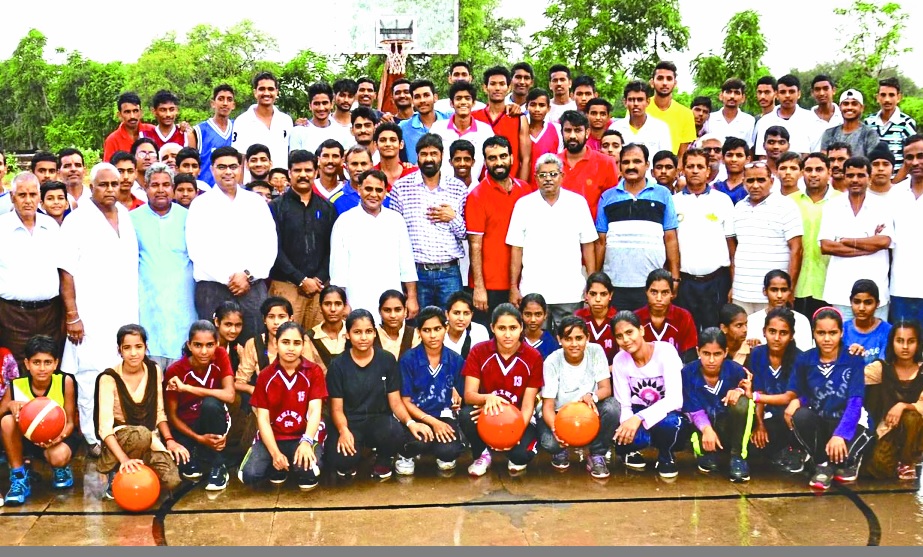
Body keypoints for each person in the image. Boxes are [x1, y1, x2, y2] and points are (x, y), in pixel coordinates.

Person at [60, 163, 140, 454]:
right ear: (90, 186)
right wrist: (73, 315)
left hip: (125, 312)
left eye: (114, 184)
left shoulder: (126, 217)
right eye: (103, 185)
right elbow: (66, 272)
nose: (109, 190)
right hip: (90, 314)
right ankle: (94, 438)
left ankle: (118, 432)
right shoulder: (77, 220)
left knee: (122, 373)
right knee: (90, 375)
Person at [185, 146, 278, 342]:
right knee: (212, 347)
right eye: (222, 167)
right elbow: (197, 249)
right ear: (212, 170)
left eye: (233, 166)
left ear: (241, 168)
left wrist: (247, 275)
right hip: (213, 288)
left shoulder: (256, 203)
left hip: (251, 286)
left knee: (254, 346)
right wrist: (229, 278)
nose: (228, 172)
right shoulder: (201, 205)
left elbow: (269, 244)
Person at [325, 309, 428, 481]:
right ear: (348, 335)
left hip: (379, 420)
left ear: (374, 333)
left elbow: (395, 402)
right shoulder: (337, 365)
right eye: (357, 332)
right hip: (350, 422)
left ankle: (384, 458)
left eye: (368, 331)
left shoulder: (386, 360)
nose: (363, 337)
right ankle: (355, 455)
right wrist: (343, 431)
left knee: (396, 433)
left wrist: (411, 423)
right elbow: (336, 409)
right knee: (341, 460)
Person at [784, 308, 873, 490]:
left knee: (844, 463)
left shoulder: (853, 358)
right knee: (799, 415)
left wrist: (840, 434)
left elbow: (855, 400)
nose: (826, 339)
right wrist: (798, 401)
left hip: (850, 422)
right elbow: (805, 393)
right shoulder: (805, 359)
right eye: (821, 333)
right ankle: (823, 464)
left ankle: (841, 462)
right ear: (814, 334)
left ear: (841, 333)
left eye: (832, 333)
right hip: (822, 420)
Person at [95, 325, 187, 499]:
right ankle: (117, 474)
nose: (133, 353)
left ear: (146, 347)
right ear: (119, 350)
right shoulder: (108, 378)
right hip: (120, 438)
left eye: (138, 347)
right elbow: (104, 429)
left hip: (150, 437)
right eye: (127, 348)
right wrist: (124, 459)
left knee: (172, 480)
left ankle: (144, 467)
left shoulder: (154, 370)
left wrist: (169, 441)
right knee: (141, 434)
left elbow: (160, 413)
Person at [507, 154, 598, 329]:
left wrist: (591, 285)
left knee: (571, 342)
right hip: (533, 292)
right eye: (542, 175)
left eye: (553, 174)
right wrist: (513, 286)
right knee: (536, 345)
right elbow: (516, 249)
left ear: (562, 176)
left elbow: (588, 246)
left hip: (571, 292)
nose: (548, 179)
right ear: (536, 178)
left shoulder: (577, 203)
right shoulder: (524, 205)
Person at [239, 322, 326, 490]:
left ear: (303, 345)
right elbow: (263, 418)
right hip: (275, 435)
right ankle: (277, 465)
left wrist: (307, 442)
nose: (291, 348)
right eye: (285, 342)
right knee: (248, 475)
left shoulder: (313, 371)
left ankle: (296, 461)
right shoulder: (266, 375)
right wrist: (275, 453)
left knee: (309, 472)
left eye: (296, 343)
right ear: (276, 344)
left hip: (303, 435)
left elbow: (315, 410)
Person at [459, 304, 543, 477]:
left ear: (521, 327)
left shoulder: (533, 356)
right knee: (467, 415)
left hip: (518, 416)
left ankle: (510, 447)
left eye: (513, 328)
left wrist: (516, 431)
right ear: (492, 328)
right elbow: (468, 395)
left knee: (520, 457)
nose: (507, 334)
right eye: (501, 328)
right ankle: (483, 453)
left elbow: (528, 405)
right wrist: (488, 398)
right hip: (488, 413)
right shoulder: (479, 351)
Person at [596, 143, 679, 311]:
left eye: (637, 161)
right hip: (615, 283)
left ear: (647, 165)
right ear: (619, 165)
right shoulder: (608, 197)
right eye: (626, 162)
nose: (631, 166)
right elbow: (601, 242)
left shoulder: (663, 194)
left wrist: (675, 278)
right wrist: (597, 279)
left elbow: (670, 239)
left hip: (652, 286)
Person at [390, 134, 468, 309]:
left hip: (449, 272)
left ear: (442, 156)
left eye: (434, 153)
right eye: (424, 154)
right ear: (416, 157)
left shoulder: (458, 187)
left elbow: (465, 233)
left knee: (451, 324)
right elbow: (394, 234)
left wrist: (452, 218)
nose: (429, 158)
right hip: (416, 273)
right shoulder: (401, 187)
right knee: (418, 326)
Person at [329, 169, 419, 321]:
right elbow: (338, 268)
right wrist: (342, 302)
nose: (373, 194)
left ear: (385, 193)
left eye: (379, 190)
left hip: (391, 298)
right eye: (368, 189)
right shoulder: (345, 221)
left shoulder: (395, 220)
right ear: (359, 189)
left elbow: (406, 263)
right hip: (356, 298)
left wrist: (411, 297)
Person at [131, 163, 196, 371]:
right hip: (149, 308)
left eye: (166, 185)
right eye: (154, 185)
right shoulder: (132, 219)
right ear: (145, 188)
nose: (160, 190)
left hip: (183, 306)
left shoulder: (189, 218)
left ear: (173, 188)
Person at [0, 336, 79, 505]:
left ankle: (61, 468)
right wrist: (10, 405)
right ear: (27, 364)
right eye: (36, 362)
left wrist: (57, 439)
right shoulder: (16, 385)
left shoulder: (65, 381)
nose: (42, 368)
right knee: (6, 421)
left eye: (47, 362)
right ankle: (19, 477)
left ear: (56, 363)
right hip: (28, 441)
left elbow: (71, 422)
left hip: (57, 438)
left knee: (58, 456)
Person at [540, 316, 619, 478]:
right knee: (549, 442)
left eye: (579, 338)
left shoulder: (596, 351)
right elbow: (547, 405)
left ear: (587, 338)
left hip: (588, 412)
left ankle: (597, 454)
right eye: (568, 339)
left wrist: (593, 396)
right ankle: (560, 451)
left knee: (612, 407)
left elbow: (606, 388)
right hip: (560, 414)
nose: (574, 344)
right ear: (559, 340)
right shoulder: (552, 361)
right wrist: (557, 430)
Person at [466, 136, 532, 326]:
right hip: (490, 285)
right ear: (485, 162)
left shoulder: (525, 190)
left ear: (512, 158)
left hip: (523, 281)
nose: (499, 162)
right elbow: (475, 244)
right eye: (492, 158)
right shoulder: (477, 196)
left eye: (503, 156)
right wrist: (479, 287)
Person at [269, 149, 337, 331]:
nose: (303, 175)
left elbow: (333, 249)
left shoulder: (327, 208)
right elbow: (273, 248)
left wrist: (318, 279)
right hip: (286, 286)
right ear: (289, 174)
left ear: (316, 173)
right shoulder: (275, 208)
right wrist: (300, 279)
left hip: (319, 287)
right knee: (284, 339)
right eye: (297, 170)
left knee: (317, 344)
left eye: (308, 170)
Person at [0, 173, 64, 366]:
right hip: (12, 315)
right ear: (12, 197)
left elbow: (63, 269)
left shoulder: (51, 226)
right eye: (22, 195)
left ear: (39, 197)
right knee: (17, 370)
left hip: (50, 313)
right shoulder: (1, 228)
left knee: (49, 367)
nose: (28, 201)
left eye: (33, 194)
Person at [611, 311, 684, 478]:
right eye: (619, 336)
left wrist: (639, 419)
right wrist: (627, 427)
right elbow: (624, 404)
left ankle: (666, 454)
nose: (626, 340)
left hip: (665, 414)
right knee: (630, 437)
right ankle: (630, 451)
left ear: (641, 330)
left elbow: (675, 399)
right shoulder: (619, 360)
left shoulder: (665, 351)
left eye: (630, 332)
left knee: (672, 425)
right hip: (636, 412)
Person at [164, 321, 235, 491]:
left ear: (217, 344)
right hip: (187, 427)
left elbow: (230, 395)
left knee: (210, 404)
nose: (204, 351)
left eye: (209, 345)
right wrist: (198, 438)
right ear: (189, 345)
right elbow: (172, 416)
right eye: (197, 345)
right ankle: (199, 449)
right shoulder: (175, 370)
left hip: (212, 419)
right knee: (188, 469)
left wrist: (188, 388)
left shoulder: (221, 356)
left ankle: (219, 465)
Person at [819, 157, 893, 320]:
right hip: (841, 291)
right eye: (850, 175)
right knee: (843, 343)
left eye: (860, 175)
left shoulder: (883, 205)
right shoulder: (832, 206)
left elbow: (884, 241)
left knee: (875, 343)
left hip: (876, 293)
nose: (855, 180)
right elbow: (826, 246)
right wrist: (869, 246)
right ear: (844, 177)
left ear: (869, 177)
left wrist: (848, 241)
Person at [396, 306, 466, 475]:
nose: (433, 335)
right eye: (426, 330)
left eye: (437, 329)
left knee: (449, 451)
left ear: (446, 328)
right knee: (417, 443)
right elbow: (405, 401)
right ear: (419, 332)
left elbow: (464, 393)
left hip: (443, 415)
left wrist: (458, 400)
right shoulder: (408, 359)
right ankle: (406, 455)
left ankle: (441, 450)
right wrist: (432, 423)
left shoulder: (455, 359)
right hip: (416, 415)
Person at [672, 147, 736, 330]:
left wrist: (733, 284)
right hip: (685, 282)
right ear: (682, 169)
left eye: (700, 166)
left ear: (708, 171)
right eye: (690, 166)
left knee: (714, 332)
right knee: (687, 332)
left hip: (716, 281)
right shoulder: (674, 202)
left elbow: (731, 246)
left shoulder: (722, 200)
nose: (694, 170)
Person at [731, 161, 803, 315]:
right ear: (743, 182)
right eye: (750, 180)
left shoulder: (787, 206)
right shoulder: (738, 208)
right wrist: (733, 286)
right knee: (744, 338)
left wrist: (789, 290)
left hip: (774, 295)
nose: (755, 185)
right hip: (742, 292)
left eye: (761, 180)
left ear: (771, 181)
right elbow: (735, 250)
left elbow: (797, 249)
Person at [682, 328, 754, 482]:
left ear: (726, 352)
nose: (712, 360)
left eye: (717, 354)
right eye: (706, 354)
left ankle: (738, 456)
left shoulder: (735, 370)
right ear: (698, 351)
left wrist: (739, 390)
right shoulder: (688, 372)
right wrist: (706, 430)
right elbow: (692, 407)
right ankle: (705, 453)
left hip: (726, 427)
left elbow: (747, 393)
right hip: (701, 429)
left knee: (742, 403)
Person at [236, 297, 324, 413]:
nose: (276, 322)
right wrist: (253, 389)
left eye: (281, 317)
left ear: (291, 319)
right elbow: (239, 382)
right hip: (265, 401)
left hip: (297, 399)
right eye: (271, 317)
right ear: (264, 319)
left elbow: (311, 377)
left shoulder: (302, 342)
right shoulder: (254, 343)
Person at [748, 307, 806, 473]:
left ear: (792, 335)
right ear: (764, 331)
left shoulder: (799, 358)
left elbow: (789, 396)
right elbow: (759, 390)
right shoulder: (757, 354)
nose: (777, 338)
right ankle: (777, 452)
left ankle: (796, 450)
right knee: (754, 445)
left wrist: (756, 397)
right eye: (772, 331)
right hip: (766, 415)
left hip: (787, 416)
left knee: (793, 414)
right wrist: (759, 425)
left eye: (783, 333)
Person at [864, 321, 923, 480]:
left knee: (912, 417)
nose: (905, 347)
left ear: (918, 344)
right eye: (900, 341)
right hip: (885, 430)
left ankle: (908, 462)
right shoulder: (880, 368)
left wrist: (903, 406)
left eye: (911, 341)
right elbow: (855, 386)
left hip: (915, 434)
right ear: (892, 342)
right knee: (879, 470)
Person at [791, 152, 840, 319]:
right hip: (797, 285)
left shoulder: (842, 202)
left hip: (830, 283)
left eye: (819, 169)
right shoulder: (789, 202)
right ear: (801, 173)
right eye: (808, 169)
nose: (813, 174)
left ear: (829, 172)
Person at [558, 110, 620, 221]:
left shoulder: (605, 163)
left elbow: (611, 202)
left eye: (577, 130)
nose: (572, 136)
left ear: (587, 132)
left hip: (593, 233)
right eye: (568, 130)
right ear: (561, 132)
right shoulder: (553, 163)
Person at [473, 66, 531, 180]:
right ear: (485, 87)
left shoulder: (519, 118)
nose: (497, 88)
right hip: (479, 186)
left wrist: (520, 189)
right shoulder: (474, 117)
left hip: (509, 186)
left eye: (502, 84)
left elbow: (526, 159)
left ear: (508, 88)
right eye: (493, 84)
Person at [888, 135, 923, 324]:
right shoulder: (894, 193)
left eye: (921, 156)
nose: (915, 162)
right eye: (909, 157)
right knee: (903, 350)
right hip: (900, 287)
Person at [430, 81, 494, 181]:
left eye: (467, 98)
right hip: (442, 189)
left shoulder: (485, 131)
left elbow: (492, 161)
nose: (463, 102)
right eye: (458, 98)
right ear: (451, 103)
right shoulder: (438, 128)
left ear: (473, 103)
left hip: (472, 190)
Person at [232, 72, 292, 172]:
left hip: (280, 184)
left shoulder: (286, 120)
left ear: (276, 92)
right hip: (252, 185)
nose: (266, 93)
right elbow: (240, 159)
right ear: (255, 92)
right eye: (262, 89)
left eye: (270, 89)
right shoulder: (242, 121)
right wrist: (240, 187)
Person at [635, 269, 698, 363]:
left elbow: (689, 357)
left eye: (665, 292)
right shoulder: (635, 318)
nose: (659, 298)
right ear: (646, 292)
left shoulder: (684, 317)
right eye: (654, 292)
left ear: (672, 294)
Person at [753, 75, 822, 156]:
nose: (787, 95)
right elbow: (762, 156)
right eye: (783, 92)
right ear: (777, 95)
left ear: (799, 94)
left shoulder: (811, 119)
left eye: (791, 91)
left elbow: (816, 155)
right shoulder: (764, 122)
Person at [746, 269, 813, 351]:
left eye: (784, 290)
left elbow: (805, 354)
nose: (779, 295)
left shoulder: (801, 321)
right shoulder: (752, 320)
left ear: (790, 292)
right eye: (774, 290)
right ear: (765, 291)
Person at [864, 77, 917, 175]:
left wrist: (895, 183)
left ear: (899, 97)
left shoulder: (906, 123)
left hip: (898, 182)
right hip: (872, 183)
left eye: (891, 95)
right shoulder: (868, 122)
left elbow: (910, 158)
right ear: (877, 98)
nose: (887, 99)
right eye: (883, 95)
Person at [189, 84, 236, 186]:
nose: (225, 103)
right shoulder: (198, 131)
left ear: (233, 105)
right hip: (206, 190)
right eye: (221, 99)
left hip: (231, 190)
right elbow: (190, 164)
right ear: (213, 103)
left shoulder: (238, 127)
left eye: (229, 99)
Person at [609, 81, 672, 158]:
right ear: (625, 102)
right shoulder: (615, 128)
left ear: (648, 102)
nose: (635, 104)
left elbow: (666, 159)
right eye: (631, 100)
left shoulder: (661, 128)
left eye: (640, 100)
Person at [648, 61, 697, 158]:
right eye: (660, 78)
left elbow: (682, 155)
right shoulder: (639, 108)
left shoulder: (686, 114)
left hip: (671, 169)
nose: (665, 83)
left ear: (675, 83)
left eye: (669, 79)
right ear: (652, 82)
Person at [400, 80, 451, 165]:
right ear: (412, 101)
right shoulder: (403, 127)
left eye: (426, 95)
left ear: (435, 98)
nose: (422, 100)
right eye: (417, 97)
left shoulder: (449, 119)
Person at [820, 90, 882, 157]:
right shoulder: (829, 133)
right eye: (846, 104)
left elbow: (873, 162)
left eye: (854, 104)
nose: (849, 107)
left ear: (862, 108)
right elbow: (824, 161)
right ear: (840, 107)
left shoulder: (869, 134)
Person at [843, 280, 891, 365]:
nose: (861, 308)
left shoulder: (888, 331)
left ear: (877, 304)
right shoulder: (842, 330)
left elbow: (885, 366)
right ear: (851, 302)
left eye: (868, 303)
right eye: (857, 302)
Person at [575, 272, 619, 364]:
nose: (598, 299)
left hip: (611, 373)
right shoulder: (578, 318)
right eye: (593, 294)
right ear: (586, 294)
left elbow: (624, 359)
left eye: (603, 294)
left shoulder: (619, 320)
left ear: (610, 295)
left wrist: (604, 373)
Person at [103, 92, 155, 163]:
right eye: (127, 112)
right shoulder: (112, 140)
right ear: (119, 115)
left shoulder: (153, 131)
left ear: (141, 112)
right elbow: (109, 170)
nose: (132, 116)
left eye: (135, 111)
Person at [526, 89, 563, 180]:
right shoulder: (520, 129)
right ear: (526, 106)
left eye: (542, 105)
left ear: (548, 108)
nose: (537, 109)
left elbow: (560, 160)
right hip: (525, 186)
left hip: (549, 185)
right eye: (533, 105)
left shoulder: (557, 130)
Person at [707, 79, 756, 146]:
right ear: (721, 96)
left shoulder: (749, 121)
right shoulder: (710, 119)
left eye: (737, 93)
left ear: (743, 98)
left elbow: (749, 147)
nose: (732, 96)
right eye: (728, 92)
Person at [375, 290, 421, 361]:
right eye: (387, 310)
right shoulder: (372, 335)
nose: (393, 315)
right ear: (379, 311)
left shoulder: (415, 335)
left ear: (405, 311)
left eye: (398, 310)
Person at [443, 290, 490, 359]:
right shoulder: (437, 332)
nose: (461, 318)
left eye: (466, 313)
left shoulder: (480, 332)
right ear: (447, 314)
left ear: (472, 315)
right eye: (456, 313)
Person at [519, 293, 561, 360]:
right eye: (528, 314)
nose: (533, 320)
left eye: (538, 314)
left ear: (545, 315)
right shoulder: (516, 340)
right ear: (521, 315)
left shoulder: (551, 343)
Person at [713, 137, 751, 205]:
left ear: (748, 159)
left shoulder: (752, 187)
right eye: (729, 155)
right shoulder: (715, 187)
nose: (734, 159)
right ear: (722, 158)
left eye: (739, 155)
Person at [213, 301, 244, 372]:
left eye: (238, 325)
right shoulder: (206, 347)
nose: (233, 330)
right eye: (228, 325)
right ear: (217, 322)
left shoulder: (238, 349)